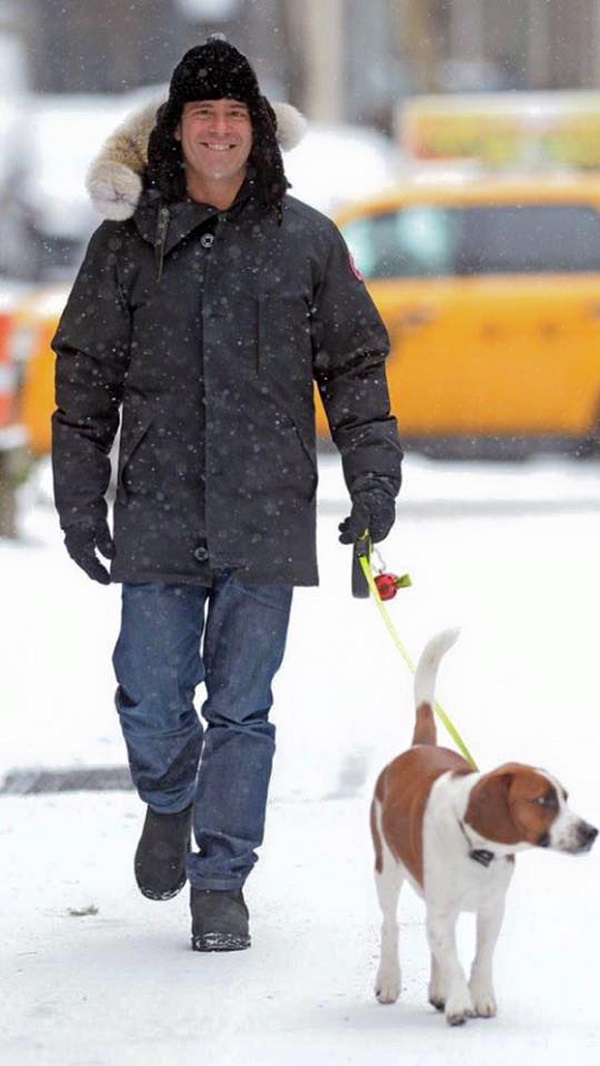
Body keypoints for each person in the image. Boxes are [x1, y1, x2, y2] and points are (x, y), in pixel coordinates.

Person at [51, 36, 402, 953]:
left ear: (258, 131)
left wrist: (373, 484)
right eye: (202, 115)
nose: (218, 131)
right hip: (161, 508)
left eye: (234, 115)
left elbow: (356, 371)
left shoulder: (307, 241)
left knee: (243, 709)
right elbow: (85, 384)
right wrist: (80, 502)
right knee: (151, 690)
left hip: (266, 510)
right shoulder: (126, 244)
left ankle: (222, 883)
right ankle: (168, 798)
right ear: (176, 130)